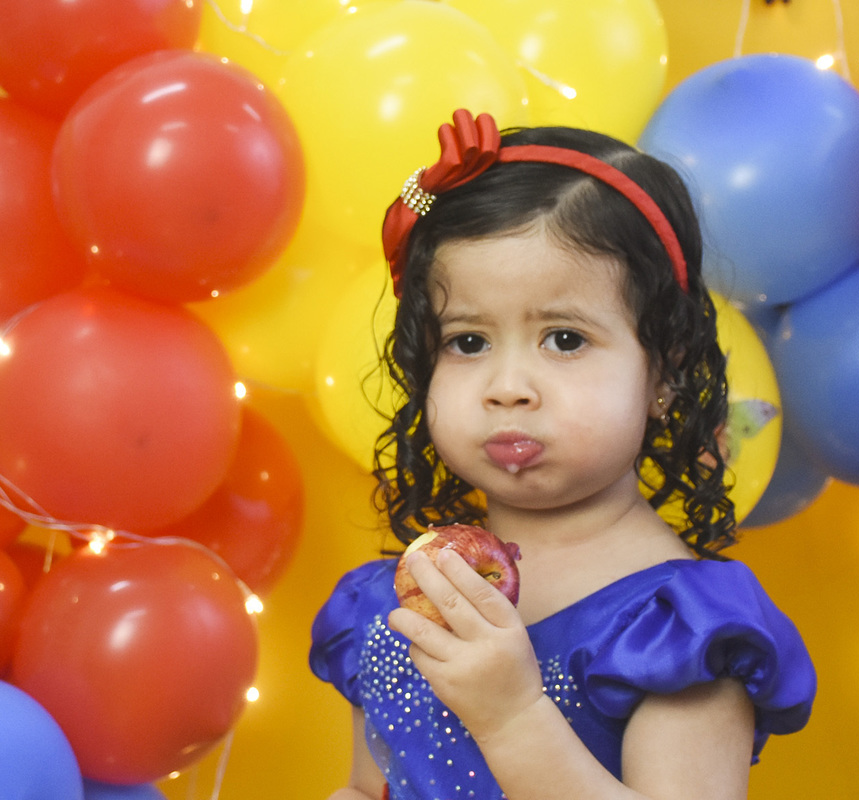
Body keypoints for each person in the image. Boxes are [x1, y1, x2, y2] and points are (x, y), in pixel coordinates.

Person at [310, 109, 815, 800]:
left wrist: (513, 718)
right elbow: (372, 788)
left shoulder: (679, 630)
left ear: (663, 374)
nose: (507, 389)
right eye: (468, 342)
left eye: (566, 339)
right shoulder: (408, 595)